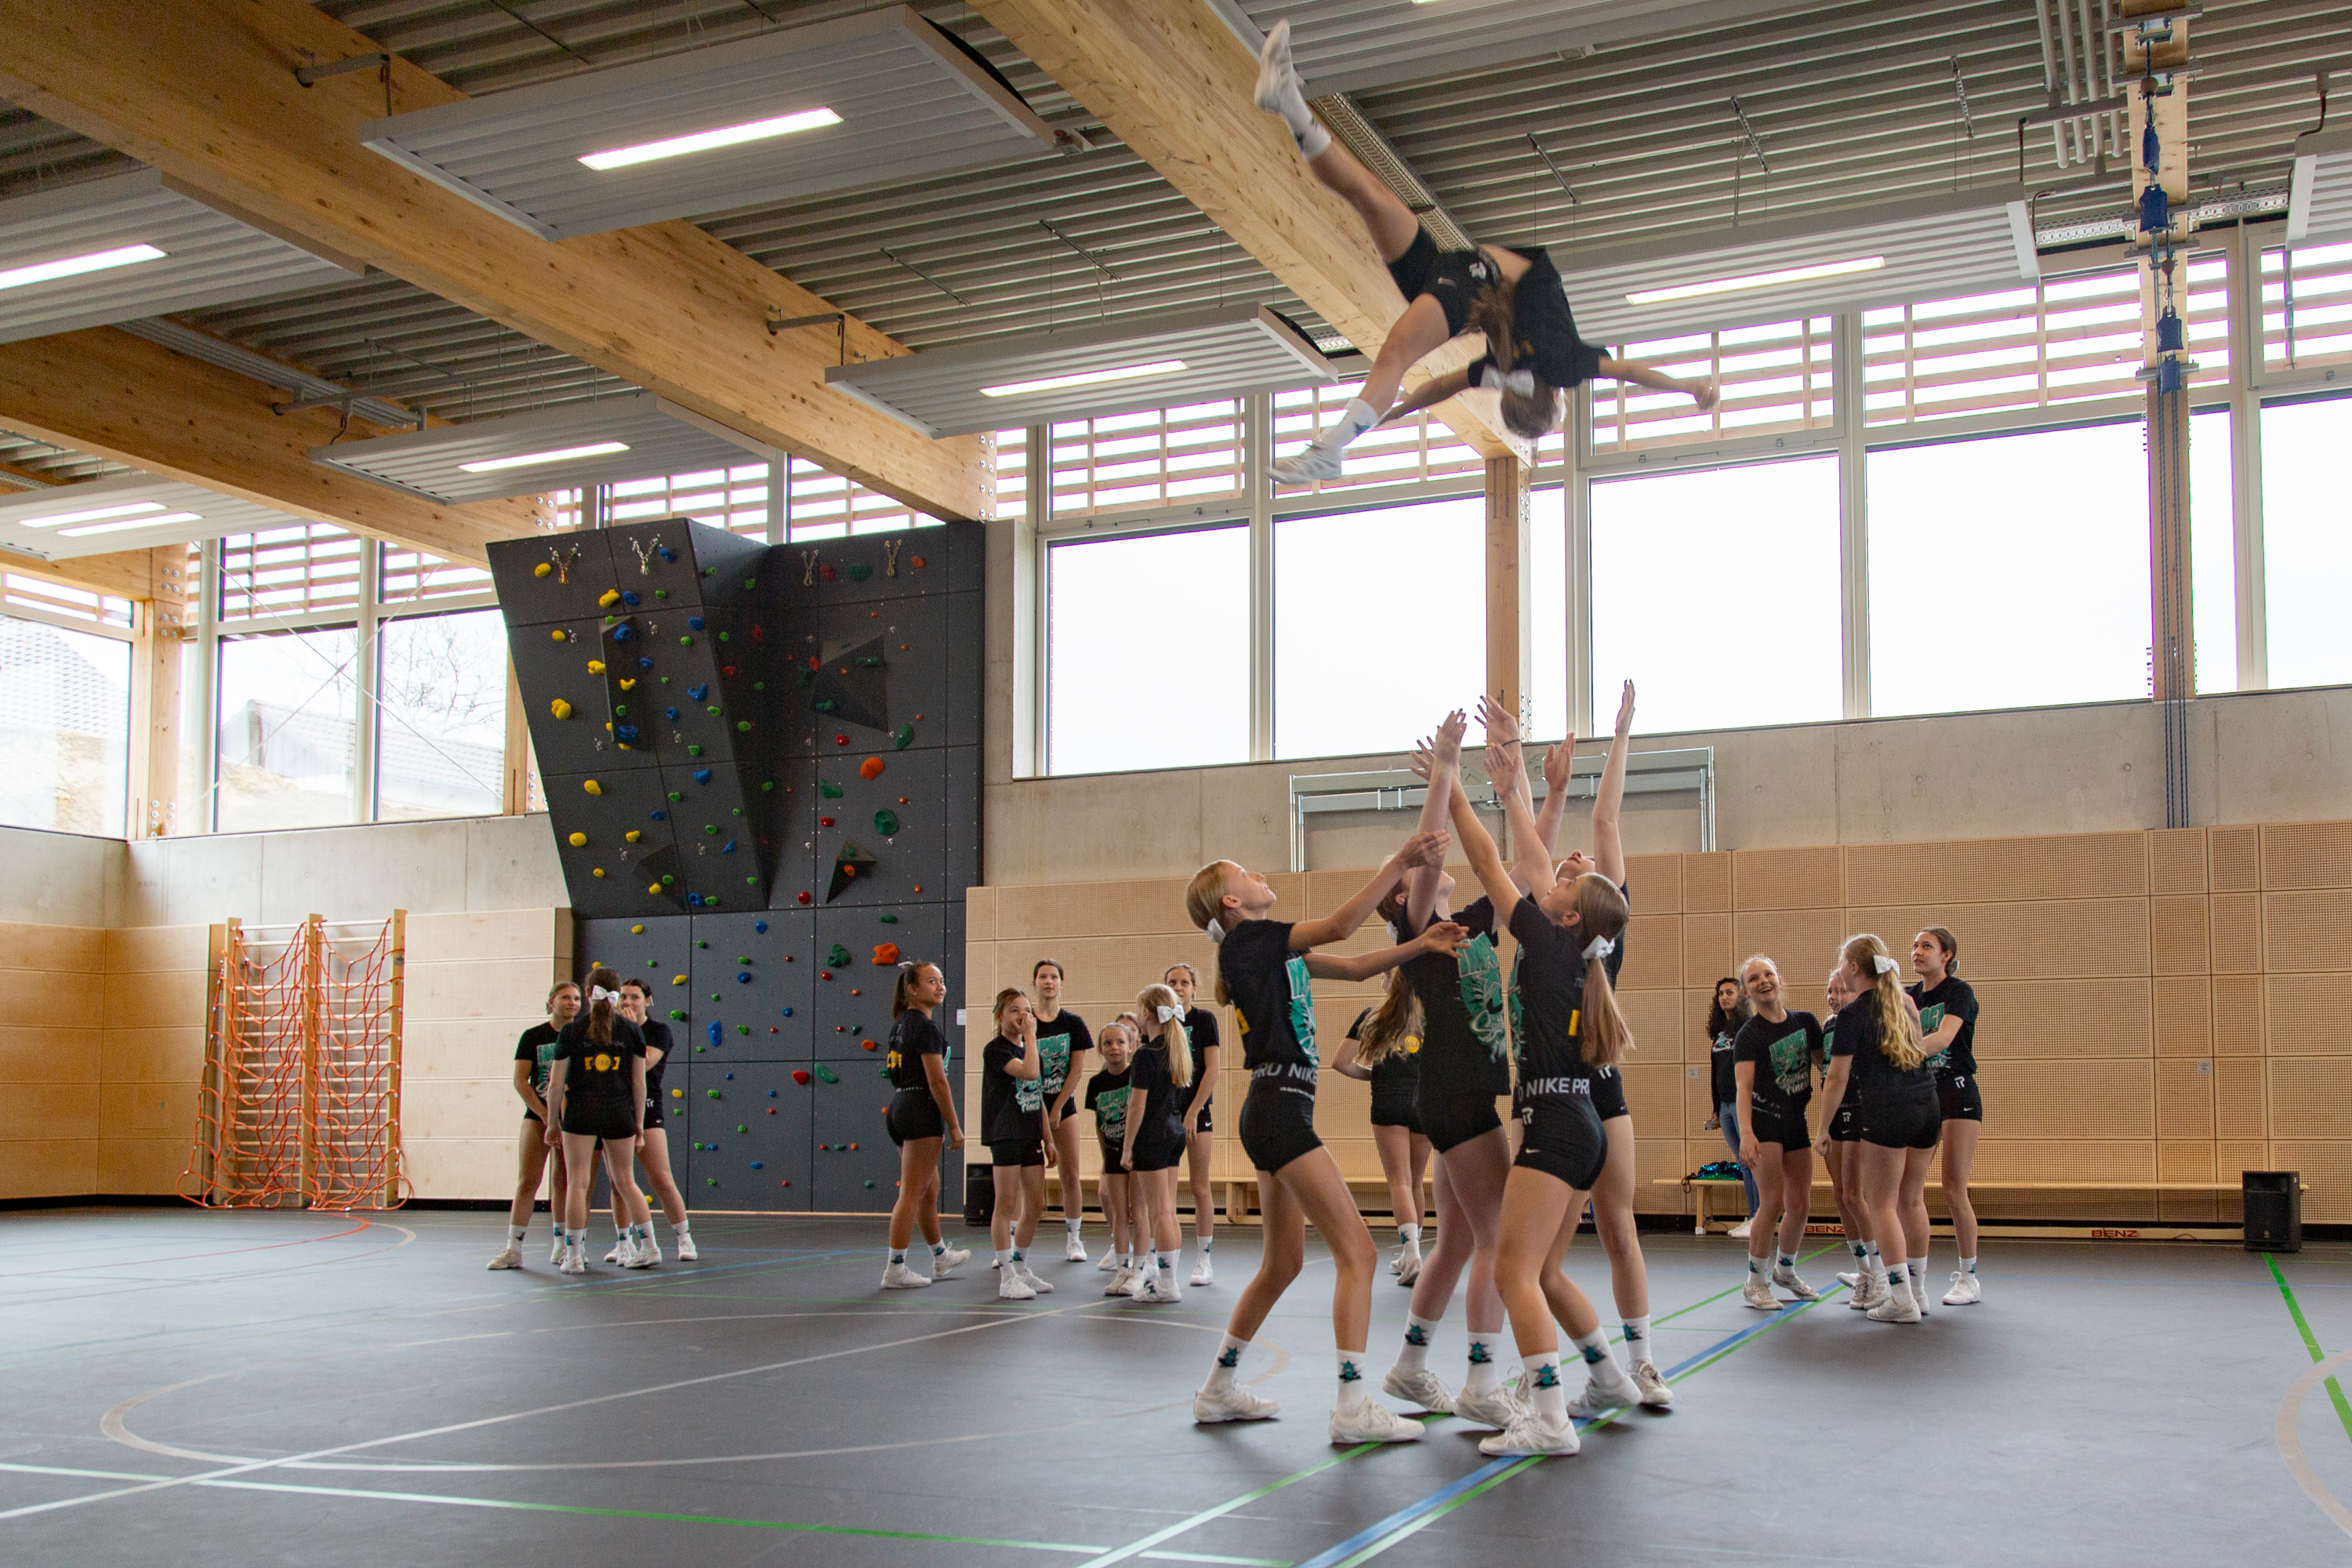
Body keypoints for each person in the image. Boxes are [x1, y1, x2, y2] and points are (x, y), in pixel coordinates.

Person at [1248, 19, 1715, 484]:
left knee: (1392, 356)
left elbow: (1630, 370)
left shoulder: (1560, 364)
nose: (1568, 400)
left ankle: (1330, 448)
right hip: (1447, 271)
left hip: (1470, 280)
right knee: (1366, 194)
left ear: (1554, 398)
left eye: (1563, 408)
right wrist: (1395, 412)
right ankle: (1287, 99)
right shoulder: (1503, 368)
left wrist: (1687, 385)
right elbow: (1437, 389)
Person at [1182, 830, 1464, 1445]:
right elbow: (1340, 926)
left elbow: (1358, 966)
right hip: (1279, 1109)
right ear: (1230, 903)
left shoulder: (1274, 952)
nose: (1258, 873)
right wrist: (1398, 865)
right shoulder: (1250, 941)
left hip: (1278, 1109)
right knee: (1359, 1255)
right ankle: (1352, 1406)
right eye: (1245, 870)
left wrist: (1421, 943)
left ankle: (1217, 1388)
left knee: (1281, 1264)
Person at [1436, 742, 1647, 1456]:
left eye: (1560, 886)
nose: (1550, 882)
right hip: (1580, 1123)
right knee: (1546, 1270)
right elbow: (1526, 858)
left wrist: (1455, 786)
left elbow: (1497, 864)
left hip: (1556, 1124)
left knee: (1514, 1271)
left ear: (1564, 917)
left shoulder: (1550, 945)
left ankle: (1550, 1419)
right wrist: (1519, 791)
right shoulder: (1589, 955)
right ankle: (1609, 1376)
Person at [1482, 688, 1674, 1409]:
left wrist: (1616, 738)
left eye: (1581, 871)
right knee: (1545, 1260)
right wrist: (1531, 779)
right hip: (1553, 1094)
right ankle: (1596, 1373)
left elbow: (1598, 819)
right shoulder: (1558, 930)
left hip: (1587, 1097)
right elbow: (1534, 846)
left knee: (1614, 1225)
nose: (1569, 863)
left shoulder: (1592, 933)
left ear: (1582, 902)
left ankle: (1637, 1361)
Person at [1373, 709, 1517, 1428]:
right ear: (1402, 906)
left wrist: (1513, 784)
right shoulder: (1421, 929)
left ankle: (1407, 1367)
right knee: (1498, 1238)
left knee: (1460, 1238)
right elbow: (1429, 857)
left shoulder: (1477, 928)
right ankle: (1484, 1382)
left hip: (1455, 1094)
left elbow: (1521, 865)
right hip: (1457, 1094)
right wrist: (1446, 773)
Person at [1815, 935, 1939, 1323]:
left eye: (1841, 964)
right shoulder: (1903, 1002)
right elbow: (1917, 1047)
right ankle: (1917, 1292)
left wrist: (1822, 1128)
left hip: (1889, 1109)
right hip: (1927, 1104)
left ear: (1854, 968)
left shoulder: (1853, 1016)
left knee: (1882, 1204)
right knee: (1912, 1200)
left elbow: (1836, 1079)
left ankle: (1900, 1299)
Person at [544, 967, 653, 1275]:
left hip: (581, 1112)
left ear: (589, 991)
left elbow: (555, 1085)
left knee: (578, 1183)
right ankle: (649, 1247)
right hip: (619, 1113)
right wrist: (639, 1126)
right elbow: (639, 1084)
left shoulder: (571, 1031)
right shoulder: (632, 1031)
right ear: (617, 993)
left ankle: (574, 1256)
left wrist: (553, 1122)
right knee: (626, 1181)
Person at [1731, 956, 1822, 1309]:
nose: (1763, 981)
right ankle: (1755, 1282)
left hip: (1795, 1119)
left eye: (1768, 974)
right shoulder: (1749, 1035)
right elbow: (1743, 1087)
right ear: (1746, 991)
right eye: (1754, 978)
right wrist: (1746, 1133)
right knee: (1772, 1201)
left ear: (1780, 979)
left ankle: (1785, 1269)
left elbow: (1824, 1064)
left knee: (1800, 1204)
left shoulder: (1805, 1023)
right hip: (1764, 1121)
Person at [882, 961, 971, 1289]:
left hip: (900, 1107)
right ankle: (895, 1269)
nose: (940, 986)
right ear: (912, 990)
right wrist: (954, 1125)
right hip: (920, 1110)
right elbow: (938, 1082)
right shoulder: (925, 1028)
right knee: (911, 1193)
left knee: (928, 1189)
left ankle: (940, 1255)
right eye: (931, 981)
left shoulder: (900, 1025)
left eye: (941, 981)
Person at [1911, 927, 1984, 1306]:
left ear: (1948, 955)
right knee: (1906, 1190)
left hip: (1956, 1092)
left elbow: (1942, 1038)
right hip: (1920, 1094)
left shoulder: (1959, 992)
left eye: (1927, 946)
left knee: (1954, 1188)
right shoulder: (1907, 996)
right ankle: (1901, 1272)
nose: (1918, 952)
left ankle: (1969, 1276)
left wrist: (1901, 1052)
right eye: (1915, 946)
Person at [1330, 1000, 1428, 1285]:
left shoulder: (1374, 1015)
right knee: (1416, 1181)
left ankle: (1412, 1257)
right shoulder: (1430, 1016)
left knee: (1399, 1181)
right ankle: (1411, 1252)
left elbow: (1340, 1062)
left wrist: (1378, 1075)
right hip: (1423, 1103)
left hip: (1389, 1102)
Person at [490, 981, 578, 1269]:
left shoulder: (582, 1035)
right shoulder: (533, 1036)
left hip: (574, 1118)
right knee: (528, 1180)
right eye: (566, 997)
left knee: (564, 1181)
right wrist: (545, 1116)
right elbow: (520, 1081)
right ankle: (513, 1249)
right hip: (539, 1114)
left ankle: (563, 1244)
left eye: (577, 998)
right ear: (551, 1002)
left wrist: (563, 1119)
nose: (572, 1002)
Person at [1123, 983, 1198, 1304]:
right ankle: (1168, 1279)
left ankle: (1167, 1284)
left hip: (1152, 1136)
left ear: (1146, 1014)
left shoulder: (1145, 1055)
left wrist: (1127, 1147)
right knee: (1168, 1210)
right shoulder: (1177, 1050)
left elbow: (1136, 1106)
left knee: (1160, 1212)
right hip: (1173, 1132)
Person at [612, 978, 692, 1265]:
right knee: (618, 1180)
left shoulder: (659, 1031)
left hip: (647, 1107)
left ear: (648, 1000)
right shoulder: (611, 1030)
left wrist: (632, 1030)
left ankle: (684, 1237)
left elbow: (644, 1063)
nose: (628, 1002)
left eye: (634, 997)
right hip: (616, 1108)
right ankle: (624, 1243)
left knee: (660, 1176)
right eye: (623, 997)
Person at [981, 987, 1053, 1301]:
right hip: (1005, 1132)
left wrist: (1048, 1138)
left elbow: (1038, 1094)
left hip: (1030, 1133)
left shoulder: (1030, 1049)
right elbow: (1029, 1073)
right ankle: (1007, 1276)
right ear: (1000, 1016)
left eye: (1027, 1010)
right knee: (1007, 1204)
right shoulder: (996, 1050)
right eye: (1014, 1011)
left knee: (1035, 1204)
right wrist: (1032, 1039)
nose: (1023, 1016)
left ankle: (1021, 1267)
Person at [1820, 966, 1879, 1302]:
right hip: (1836, 1115)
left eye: (1841, 990)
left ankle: (1881, 1272)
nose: (1834, 997)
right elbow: (1826, 1069)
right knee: (1841, 1195)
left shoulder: (1861, 1020)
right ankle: (1864, 1270)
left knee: (1857, 1195)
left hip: (1860, 1110)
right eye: (1830, 991)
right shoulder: (1830, 1025)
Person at [1032, 960, 1095, 1263]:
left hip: (1062, 1107)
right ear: (1034, 983)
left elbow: (1077, 1070)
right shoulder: (1025, 1022)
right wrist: (1041, 1110)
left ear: (1061, 983)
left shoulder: (1073, 1024)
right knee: (1024, 1178)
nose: (1048, 981)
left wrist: (1056, 1108)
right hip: (1030, 1106)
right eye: (1043, 976)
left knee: (1070, 1174)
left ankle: (1074, 1239)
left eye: (1054, 976)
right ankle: (1017, 1242)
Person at [1165, 963, 1224, 1286]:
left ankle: (1204, 1259)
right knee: (1165, 1194)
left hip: (1195, 1112)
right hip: (1165, 1115)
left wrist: (1193, 1110)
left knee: (1199, 1186)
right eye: (1173, 982)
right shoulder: (1161, 1022)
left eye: (1185, 982)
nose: (1179, 986)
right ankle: (1166, 1259)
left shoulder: (1203, 1021)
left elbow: (1212, 1070)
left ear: (1194, 988)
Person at [1087, 1019, 1142, 1295]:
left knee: (1140, 1213)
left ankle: (1139, 1271)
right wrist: (1105, 1156)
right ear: (1100, 1049)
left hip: (1137, 1155)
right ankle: (1122, 1270)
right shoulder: (1095, 1083)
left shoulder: (1138, 1076)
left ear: (1131, 1046)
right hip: (1112, 1156)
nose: (1114, 1048)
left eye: (1120, 1042)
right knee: (1120, 1214)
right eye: (1108, 1043)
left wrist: (1131, 1149)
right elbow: (1099, 1124)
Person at [1701, 977, 1759, 1232]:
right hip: (1724, 1106)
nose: (1724, 997)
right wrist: (1716, 1106)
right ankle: (1752, 1216)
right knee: (1743, 1162)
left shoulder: (1748, 1028)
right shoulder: (1718, 1034)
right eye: (1721, 993)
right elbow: (1717, 1071)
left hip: (1742, 1104)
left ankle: (1759, 1216)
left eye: (1730, 993)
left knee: (1753, 1160)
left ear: (1741, 997)